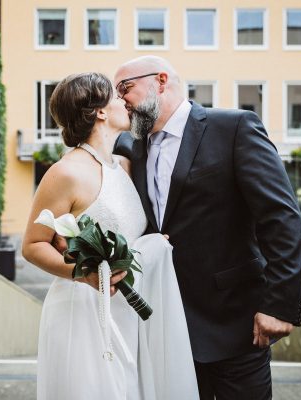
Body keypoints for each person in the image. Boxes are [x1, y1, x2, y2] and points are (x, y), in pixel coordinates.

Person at [113, 56, 301, 400]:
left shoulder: (234, 128)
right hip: (166, 326)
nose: (120, 99)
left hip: (234, 324)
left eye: (125, 88)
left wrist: (281, 305)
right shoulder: (131, 148)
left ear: (160, 80)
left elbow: (281, 216)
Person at [22, 72, 199, 400]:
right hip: (84, 308)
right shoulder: (66, 172)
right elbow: (32, 245)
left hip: (126, 310)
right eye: (117, 98)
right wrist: (84, 273)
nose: (125, 103)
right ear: (101, 112)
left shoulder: (123, 164)